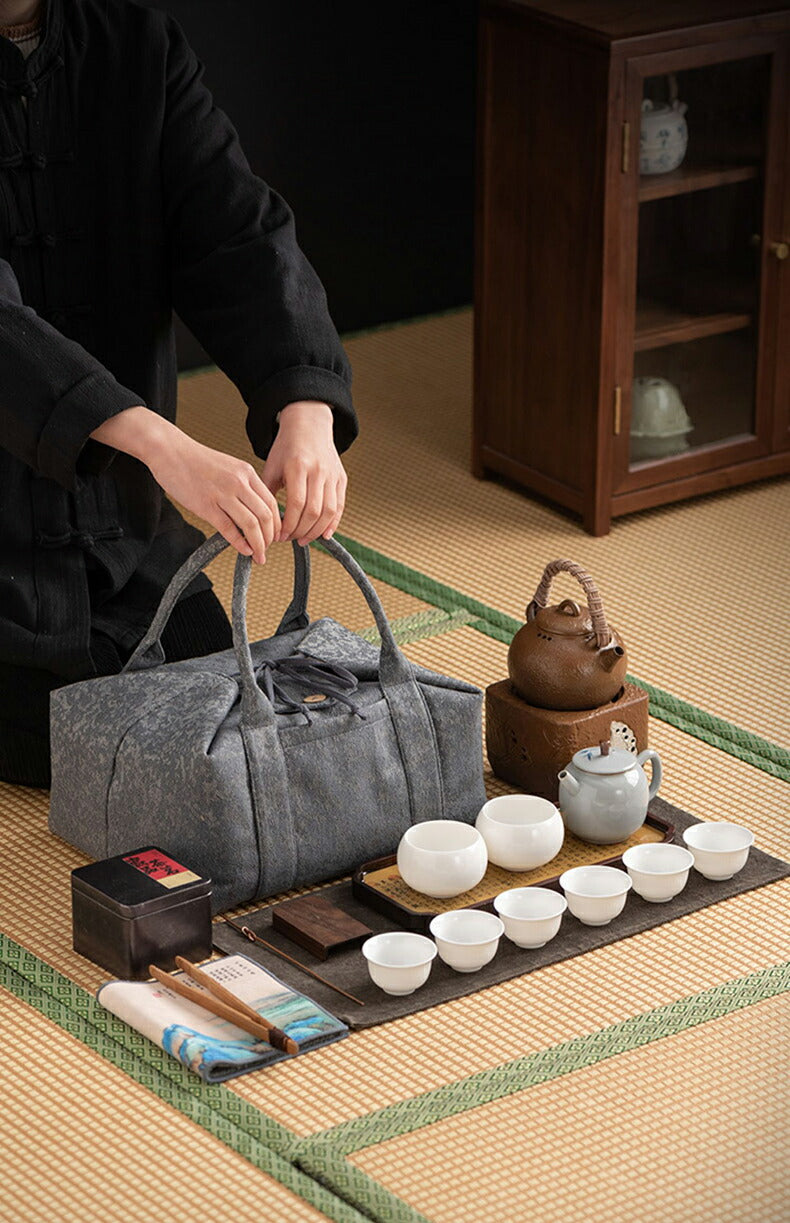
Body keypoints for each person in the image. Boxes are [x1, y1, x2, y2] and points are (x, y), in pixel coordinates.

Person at [0, 0, 358, 787]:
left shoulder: (136, 43)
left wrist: (305, 404)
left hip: (129, 536)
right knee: (83, 754)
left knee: (218, 705)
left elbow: (236, 230)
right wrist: (162, 446)